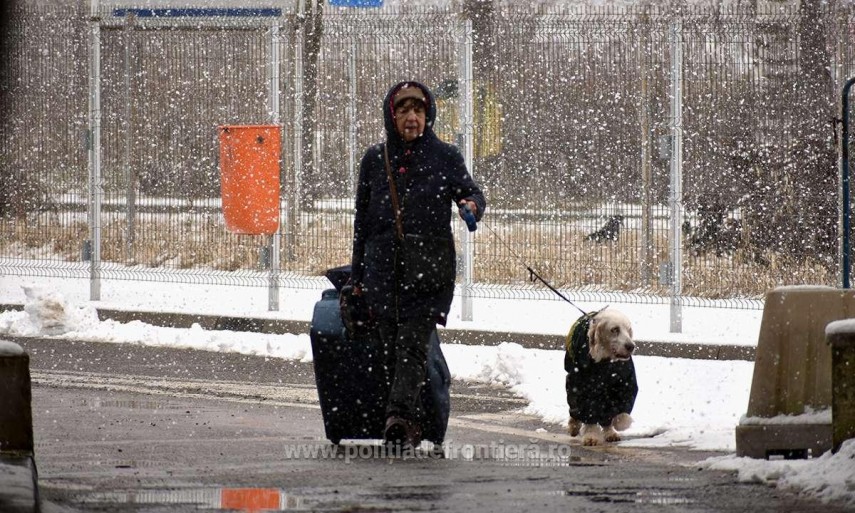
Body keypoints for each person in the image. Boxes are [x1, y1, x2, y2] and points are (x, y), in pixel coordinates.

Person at [349, 81, 486, 448]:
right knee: (393, 350)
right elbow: (362, 223)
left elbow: (471, 192)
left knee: (411, 346)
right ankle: (416, 420)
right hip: (383, 273)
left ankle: (397, 419)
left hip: (429, 273)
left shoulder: (445, 156)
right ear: (391, 116)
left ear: (429, 116)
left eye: (419, 111)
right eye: (404, 111)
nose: (412, 118)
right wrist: (356, 276)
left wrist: (471, 206)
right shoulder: (374, 160)